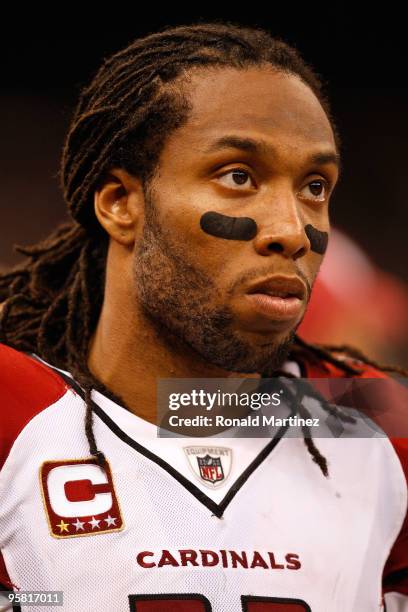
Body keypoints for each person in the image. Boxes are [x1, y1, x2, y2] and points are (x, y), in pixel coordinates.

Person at [0, 21, 406, 612]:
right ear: (121, 203)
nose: (293, 231)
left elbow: (184, 406)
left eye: (315, 186)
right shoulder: (14, 410)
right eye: (238, 176)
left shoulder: (379, 424)